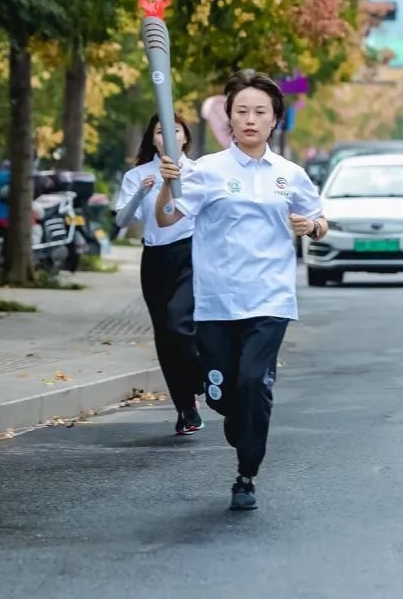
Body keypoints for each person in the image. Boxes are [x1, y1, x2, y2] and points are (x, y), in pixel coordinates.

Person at [155, 69, 327, 510]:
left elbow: (319, 220)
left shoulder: (290, 174)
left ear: (275, 121)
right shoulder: (208, 171)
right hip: (217, 300)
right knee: (224, 394)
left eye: (260, 112)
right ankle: (233, 414)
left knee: (254, 382)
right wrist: (165, 185)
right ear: (229, 119)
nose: (250, 119)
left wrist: (312, 226)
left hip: (270, 297)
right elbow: (170, 217)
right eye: (242, 111)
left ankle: (246, 473)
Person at [114, 114, 204, 435]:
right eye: (160, 132)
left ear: (185, 138)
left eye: (174, 130)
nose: (167, 136)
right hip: (155, 259)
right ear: (153, 140)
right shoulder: (137, 175)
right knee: (165, 337)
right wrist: (140, 192)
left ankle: (200, 377)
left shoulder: (200, 172)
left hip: (192, 254)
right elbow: (123, 221)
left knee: (179, 323)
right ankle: (186, 408)